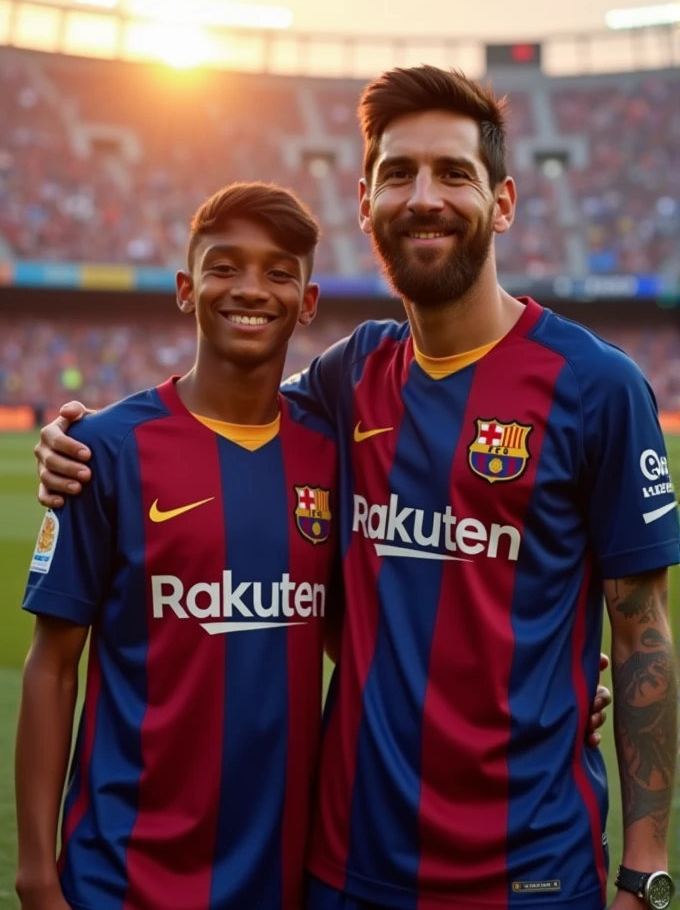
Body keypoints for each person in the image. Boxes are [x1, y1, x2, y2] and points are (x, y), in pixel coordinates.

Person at [32, 69, 635, 910]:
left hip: (529, 871)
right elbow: (222, 421)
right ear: (366, 201)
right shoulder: (352, 379)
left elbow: (646, 635)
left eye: (453, 173)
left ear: (502, 202)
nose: (424, 197)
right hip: (343, 868)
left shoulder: (595, 385)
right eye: (399, 174)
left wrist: (642, 865)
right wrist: (82, 435)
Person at [16, 182, 340, 910]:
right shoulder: (102, 451)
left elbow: (365, 640)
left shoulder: (333, 457)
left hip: (286, 880)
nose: (251, 288)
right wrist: (37, 877)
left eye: (279, 272)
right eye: (224, 267)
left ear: (308, 301)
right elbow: (53, 666)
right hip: (121, 879)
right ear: (187, 290)